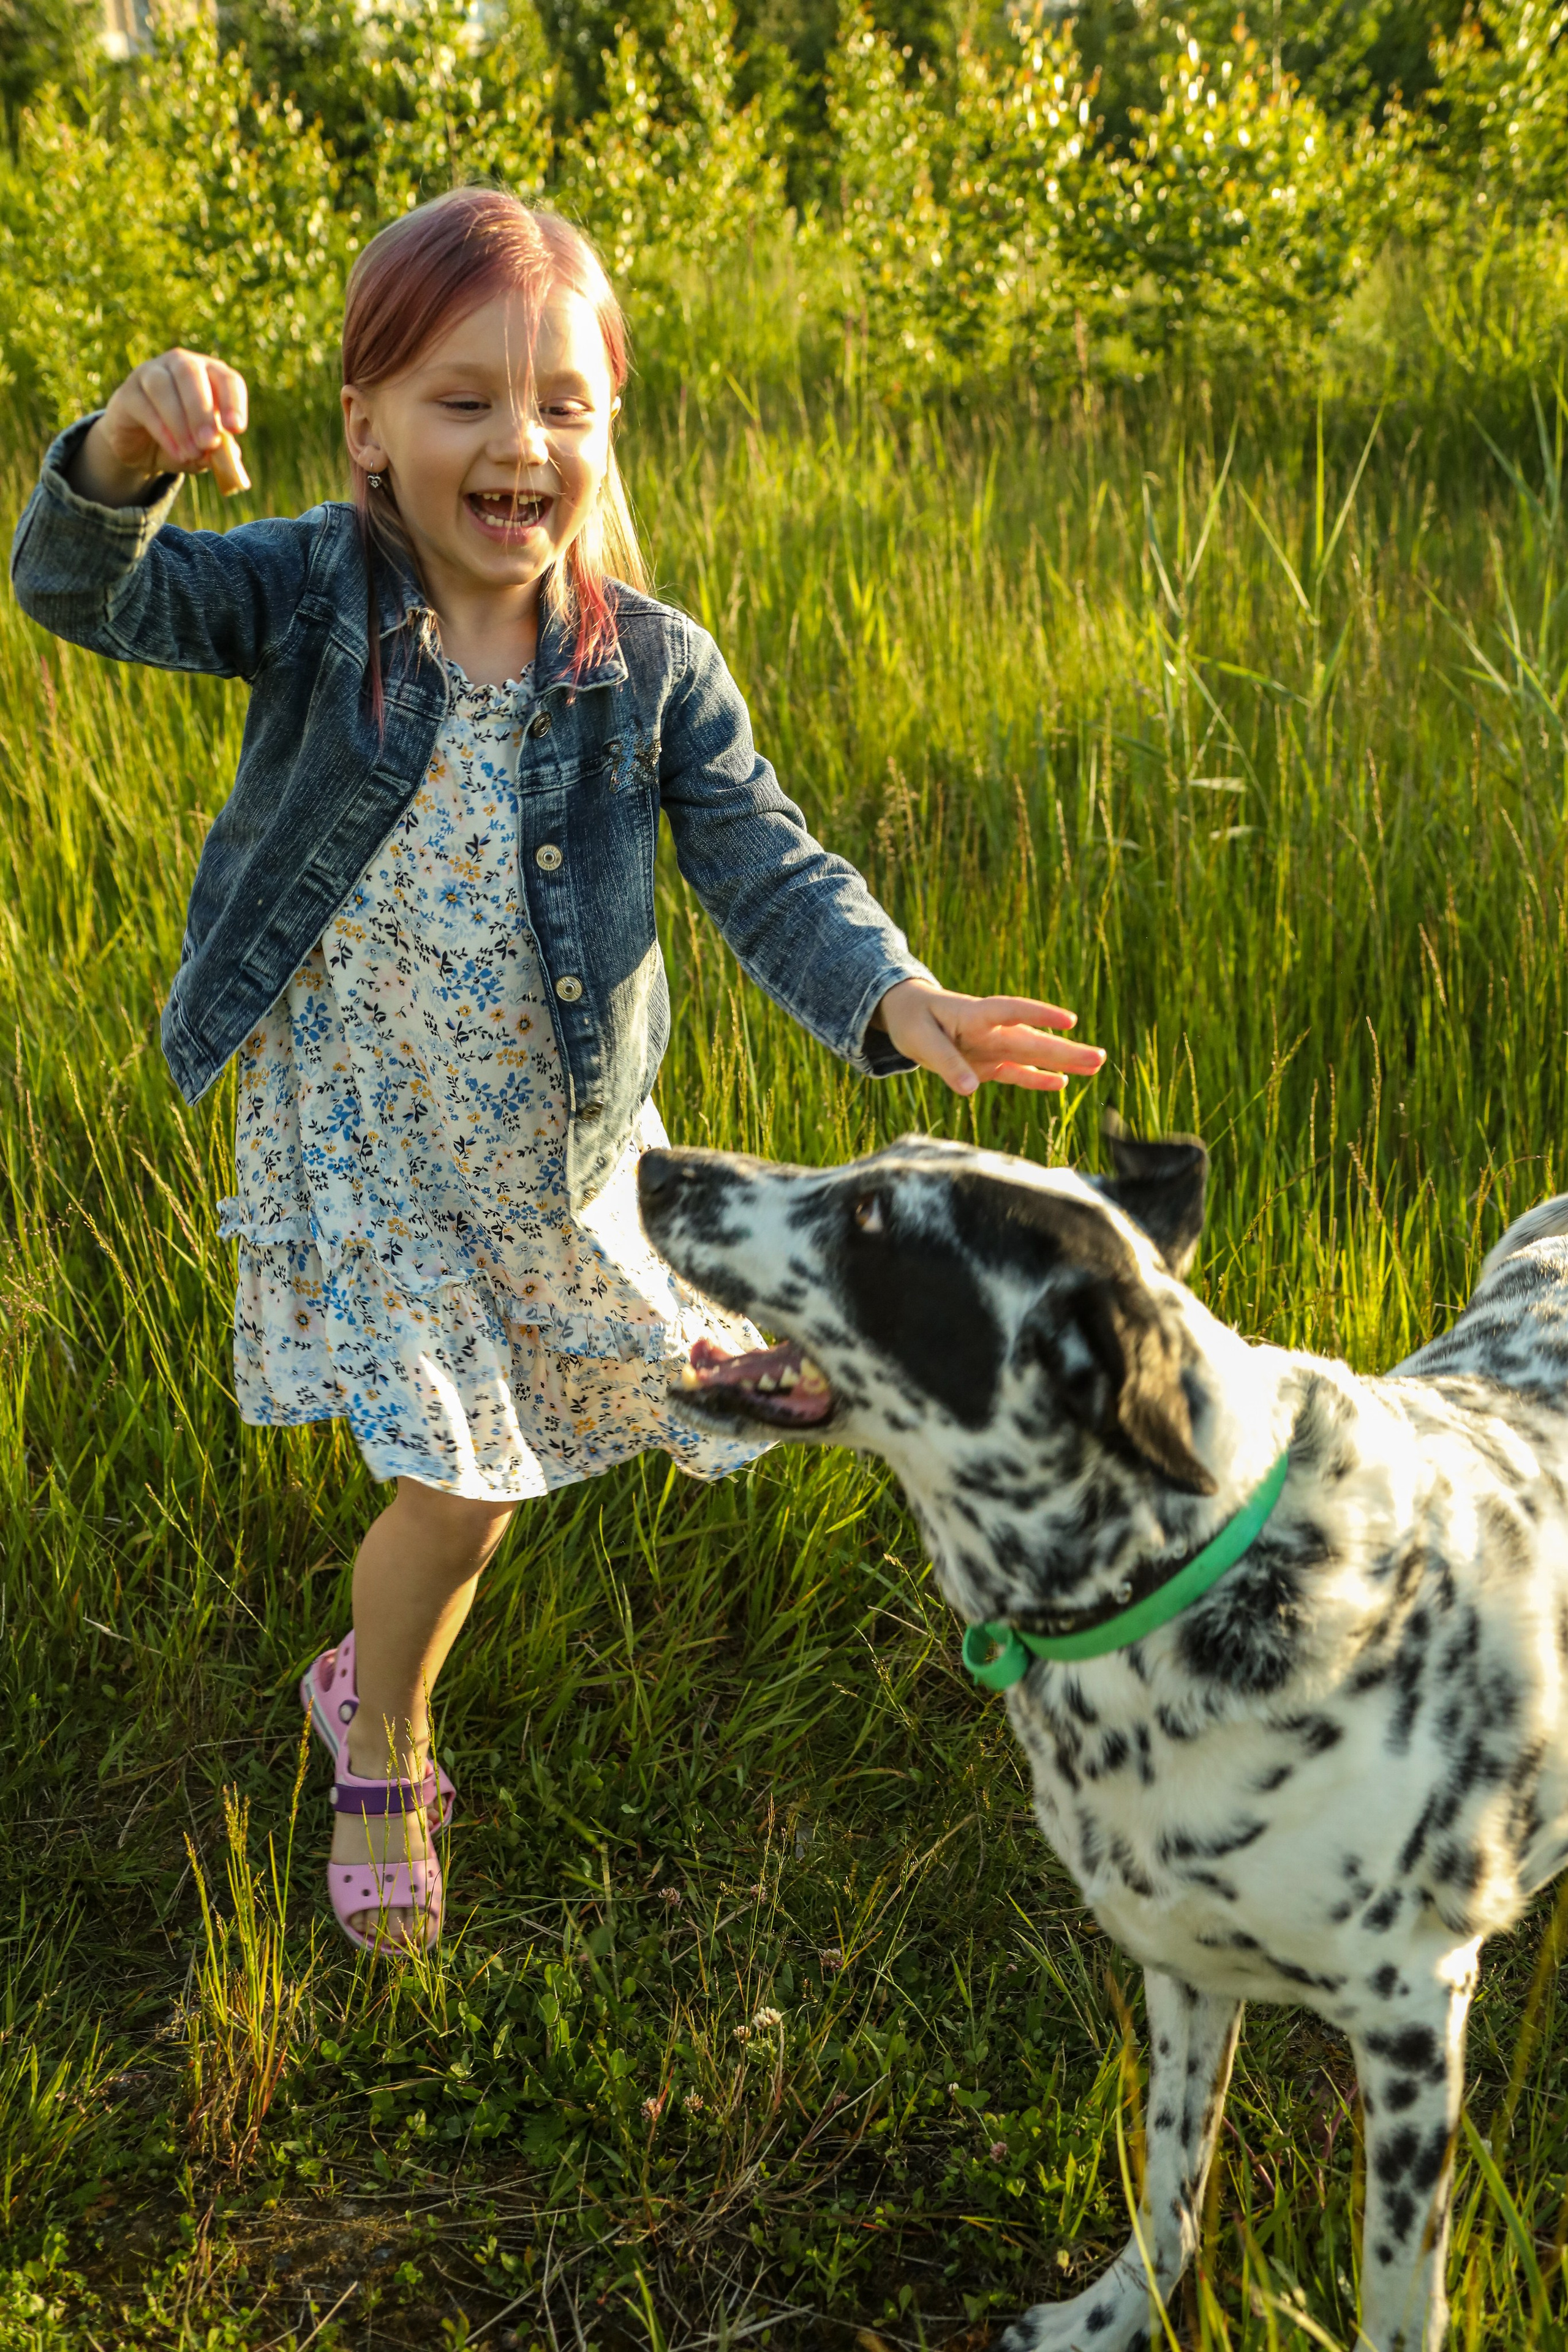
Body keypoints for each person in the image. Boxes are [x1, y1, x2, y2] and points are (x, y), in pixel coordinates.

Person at [10, 187, 1104, 1954]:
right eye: (463, 401)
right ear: (369, 427)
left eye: (562, 406)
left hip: (558, 1147)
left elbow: (765, 864)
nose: (519, 443)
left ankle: (368, 1665)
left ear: (604, 430)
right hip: (366, 1137)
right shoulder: (309, 593)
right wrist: (123, 453)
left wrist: (899, 997)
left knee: (547, 1437)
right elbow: (84, 591)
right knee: (471, 1479)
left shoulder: (647, 668)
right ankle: (383, 1738)